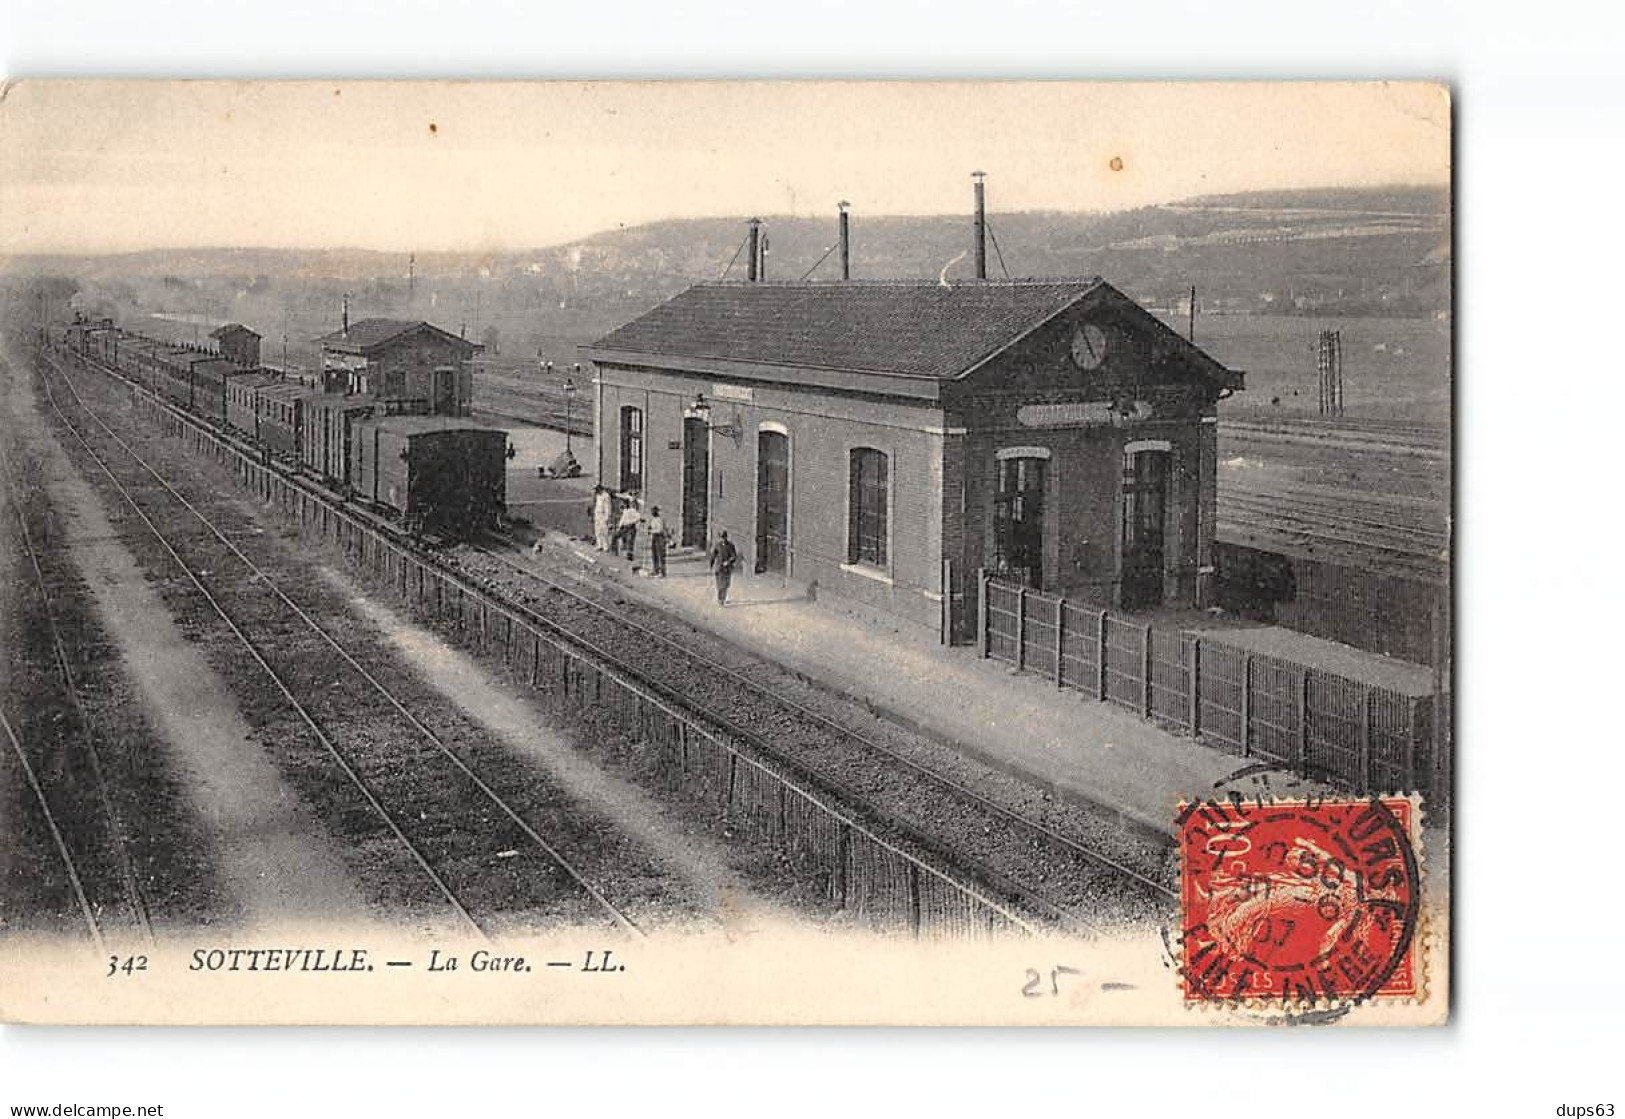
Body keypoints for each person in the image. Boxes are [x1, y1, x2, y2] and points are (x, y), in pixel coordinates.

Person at [708, 530, 738, 606]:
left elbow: (734, 556)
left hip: (727, 569)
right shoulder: (717, 545)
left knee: (726, 584)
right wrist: (711, 565)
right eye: (721, 538)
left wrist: (728, 562)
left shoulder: (731, 546)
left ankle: (723, 598)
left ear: (726, 537)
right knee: (720, 584)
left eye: (724, 537)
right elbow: (713, 556)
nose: (723, 539)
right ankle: (720, 599)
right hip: (719, 568)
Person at [647, 505, 668, 577]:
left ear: (656, 512)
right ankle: (655, 570)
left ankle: (662, 572)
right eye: (651, 511)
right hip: (654, 538)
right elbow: (652, 527)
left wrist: (651, 531)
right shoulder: (653, 519)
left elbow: (659, 530)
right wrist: (649, 528)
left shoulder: (659, 520)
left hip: (660, 538)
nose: (652, 513)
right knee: (654, 554)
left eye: (653, 511)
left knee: (660, 555)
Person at [592, 485, 613, 552]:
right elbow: (597, 505)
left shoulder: (606, 496)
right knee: (597, 531)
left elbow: (608, 507)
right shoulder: (598, 495)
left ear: (600, 489)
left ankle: (606, 547)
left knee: (604, 531)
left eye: (597, 490)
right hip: (597, 514)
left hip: (603, 515)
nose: (596, 492)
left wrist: (607, 517)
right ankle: (599, 545)